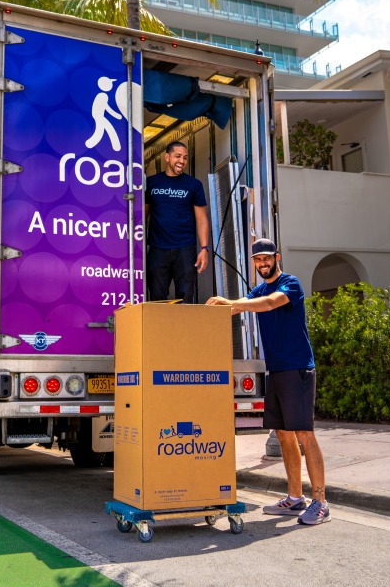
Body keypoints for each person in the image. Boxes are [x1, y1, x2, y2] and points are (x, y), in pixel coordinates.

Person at [206, 238, 330, 526]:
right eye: (257, 260)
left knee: (303, 434)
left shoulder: (290, 283)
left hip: (298, 368)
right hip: (276, 370)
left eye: (266, 258)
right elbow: (239, 308)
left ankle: (321, 502)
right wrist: (211, 310)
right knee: (284, 434)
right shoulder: (258, 289)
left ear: (276, 257)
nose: (262, 264)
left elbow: (270, 303)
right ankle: (295, 497)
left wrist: (234, 302)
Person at [145, 142, 209, 304]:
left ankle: (184, 330)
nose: (182, 161)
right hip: (157, 249)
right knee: (157, 299)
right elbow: (142, 217)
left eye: (185, 158)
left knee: (186, 298)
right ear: (167, 157)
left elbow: (201, 219)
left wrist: (204, 248)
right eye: (178, 156)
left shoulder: (193, 185)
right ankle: (160, 330)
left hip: (185, 250)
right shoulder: (151, 183)